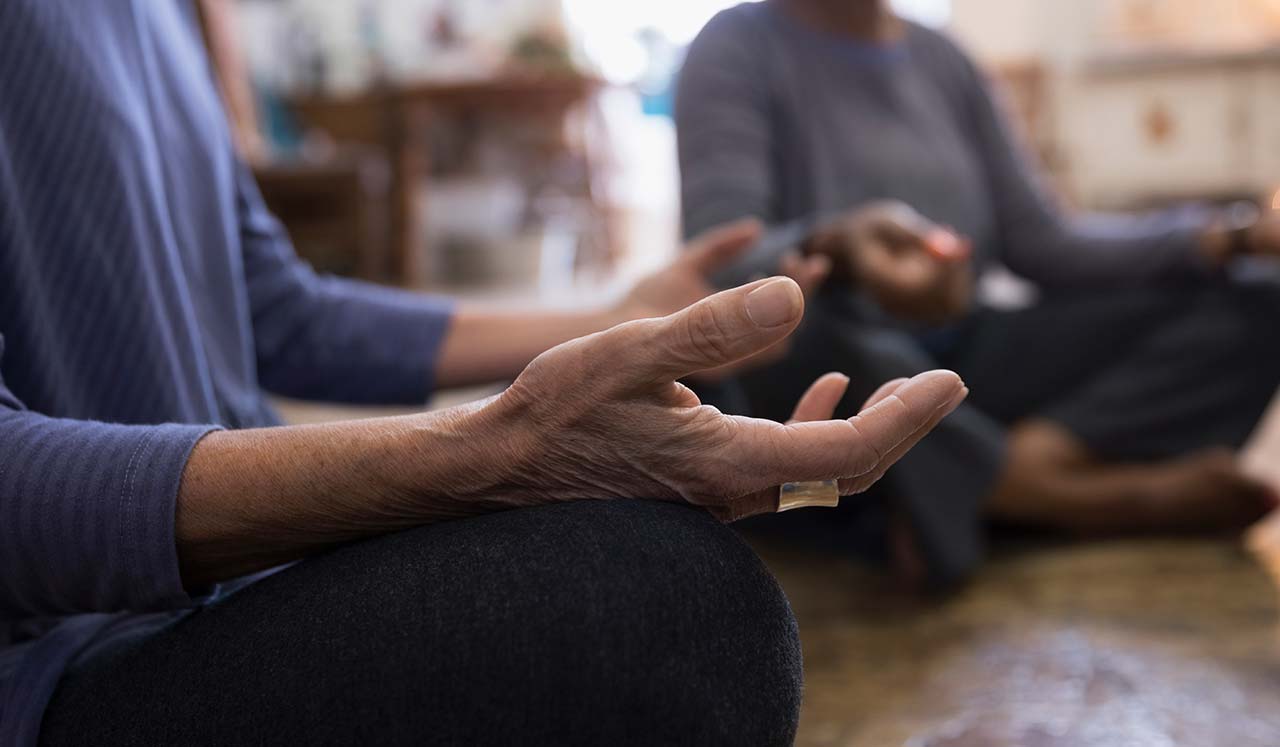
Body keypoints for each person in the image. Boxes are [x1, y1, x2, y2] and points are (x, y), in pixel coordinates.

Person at [0, 2, 969, 745]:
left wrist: (611, 321)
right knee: (673, 610)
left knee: (649, 549)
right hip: (54, 660)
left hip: (219, 588)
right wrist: (493, 454)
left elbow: (273, 310)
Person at [676, 0, 1280, 585]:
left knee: (1258, 297)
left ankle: (1007, 470)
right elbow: (721, 264)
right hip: (842, 359)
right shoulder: (735, 45)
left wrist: (1235, 235)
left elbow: (1044, 243)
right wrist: (836, 247)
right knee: (832, 349)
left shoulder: (941, 57)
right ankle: (1064, 495)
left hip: (962, 360)